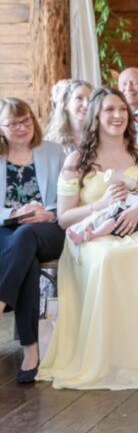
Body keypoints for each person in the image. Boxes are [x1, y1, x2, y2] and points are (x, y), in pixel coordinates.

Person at [38, 88, 138, 389]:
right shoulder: (77, 159)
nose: (117, 116)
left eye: (122, 110)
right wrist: (101, 206)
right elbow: (64, 218)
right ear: (96, 117)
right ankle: (105, 352)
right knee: (107, 257)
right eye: (109, 110)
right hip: (91, 236)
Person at [0, 98, 65, 383]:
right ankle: (31, 350)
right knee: (23, 253)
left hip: (48, 226)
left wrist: (46, 213)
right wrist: (15, 211)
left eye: (26, 120)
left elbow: (69, 196)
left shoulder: (53, 151)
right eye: (13, 123)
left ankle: (1, 301)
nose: (21, 127)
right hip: (7, 227)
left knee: (25, 237)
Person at [66, 167, 138, 247]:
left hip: (134, 221)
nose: (137, 184)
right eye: (137, 180)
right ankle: (81, 236)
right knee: (99, 220)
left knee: (112, 222)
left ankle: (94, 235)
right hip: (125, 214)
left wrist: (126, 196)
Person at [44, 79, 92, 152]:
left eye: (89, 99)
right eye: (79, 98)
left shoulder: (99, 136)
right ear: (66, 104)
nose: (86, 104)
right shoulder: (51, 141)